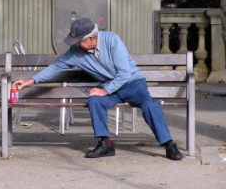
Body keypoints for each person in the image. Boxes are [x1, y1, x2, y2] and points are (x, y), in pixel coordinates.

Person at [13, 18, 184, 161]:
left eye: (80, 41)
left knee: (149, 105)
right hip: (110, 87)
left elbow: (124, 73)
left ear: (91, 38)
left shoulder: (112, 40)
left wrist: (104, 90)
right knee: (94, 100)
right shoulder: (75, 51)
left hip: (132, 83)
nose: (77, 45)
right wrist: (31, 80)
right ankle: (106, 144)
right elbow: (56, 67)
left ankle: (169, 144)